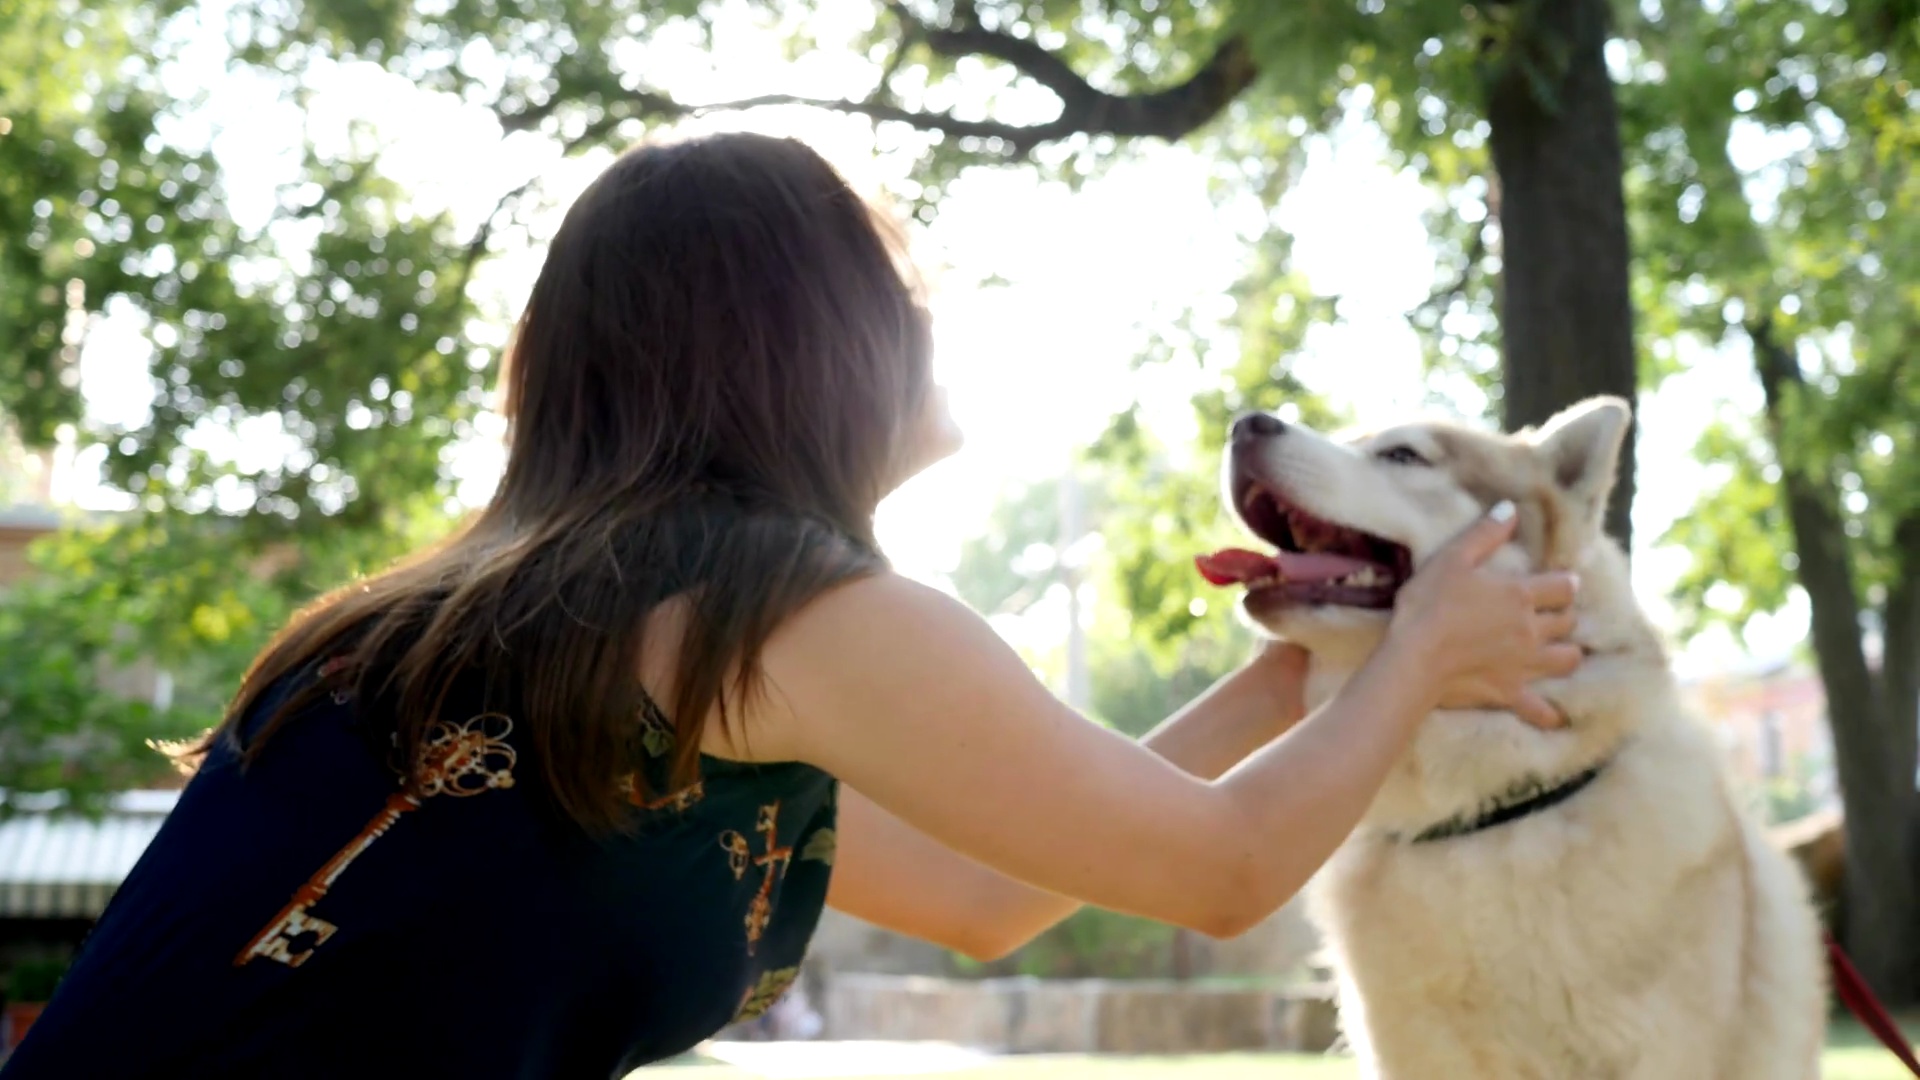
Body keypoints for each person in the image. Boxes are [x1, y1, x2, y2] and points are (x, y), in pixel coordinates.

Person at [2, 133, 1579, 1080]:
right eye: (888, 280)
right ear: (796, 338)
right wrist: (1429, 641)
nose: (925, 311)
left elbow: (991, 892)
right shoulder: (785, 608)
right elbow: (1224, 873)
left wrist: (1318, 660)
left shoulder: (576, 622)